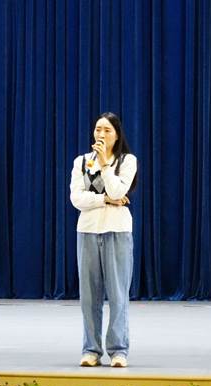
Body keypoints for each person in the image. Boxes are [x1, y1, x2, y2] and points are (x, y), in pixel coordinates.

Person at [69, 112, 137, 368]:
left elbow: (119, 190)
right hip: (87, 231)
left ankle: (118, 350)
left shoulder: (127, 161)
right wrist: (105, 200)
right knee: (89, 297)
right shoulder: (81, 162)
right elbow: (77, 199)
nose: (101, 134)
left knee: (118, 294)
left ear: (117, 135)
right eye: (98, 129)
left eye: (107, 130)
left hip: (117, 230)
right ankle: (91, 349)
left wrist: (105, 165)